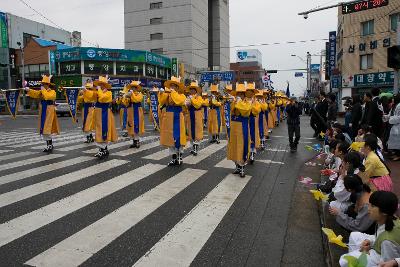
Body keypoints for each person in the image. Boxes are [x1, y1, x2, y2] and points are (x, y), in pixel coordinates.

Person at [339, 191, 400, 267]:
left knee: (344, 260)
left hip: (379, 257)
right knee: (354, 235)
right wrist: (370, 241)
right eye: (369, 204)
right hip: (378, 248)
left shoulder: (387, 242)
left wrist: (369, 252)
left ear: (384, 212)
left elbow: (387, 262)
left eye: (373, 206)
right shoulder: (390, 220)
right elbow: (379, 236)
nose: (368, 208)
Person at [25, 75, 60, 152]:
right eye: (43, 83)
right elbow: (35, 93)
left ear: (48, 84)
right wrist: (29, 90)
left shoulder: (52, 91)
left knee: (47, 128)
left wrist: (43, 90)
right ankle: (49, 145)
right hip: (44, 110)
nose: (43, 85)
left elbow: (48, 97)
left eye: (44, 83)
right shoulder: (42, 91)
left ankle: (50, 145)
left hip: (49, 111)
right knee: (44, 129)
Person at [160, 76, 187, 166]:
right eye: (171, 85)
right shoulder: (168, 94)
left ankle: (180, 156)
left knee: (179, 136)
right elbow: (161, 102)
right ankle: (173, 157)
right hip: (169, 116)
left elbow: (179, 101)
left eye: (174, 86)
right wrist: (162, 93)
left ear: (177, 87)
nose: (172, 87)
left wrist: (173, 92)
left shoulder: (181, 95)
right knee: (170, 137)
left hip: (178, 116)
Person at [227, 83, 252, 178]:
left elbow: (245, 111)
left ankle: (242, 167)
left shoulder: (248, 102)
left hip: (242, 126)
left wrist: (238, 102)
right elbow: (231, 109)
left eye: (241, 94)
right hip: (234, 125)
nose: (239, 96)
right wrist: (234, 102)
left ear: (244, 95)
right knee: (234, 145)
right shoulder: (235, 101)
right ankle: (237, 166)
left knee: (242, 145)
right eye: (238, 94)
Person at [92, 75, 118, 158]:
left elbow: (103, 98)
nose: (100, 85)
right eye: (99, 84)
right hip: (98, 112)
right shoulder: (99, 92)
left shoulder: (109, 93)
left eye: (102, 84)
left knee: (104, 129)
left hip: (105, 113)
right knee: (99, 130)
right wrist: (91, 90)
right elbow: (92, 98)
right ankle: (104, 149)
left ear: (105, 85)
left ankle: (102, 150)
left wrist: (99, 90)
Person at [185, 81, 204, 156]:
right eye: (191, 89)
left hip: (197, 115)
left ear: (196, 90)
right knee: (190, 130)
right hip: (190, 114)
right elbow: (187, 106)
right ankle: (193, 148)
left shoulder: (199, 97)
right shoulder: (189, 97)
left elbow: (198, 105)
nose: (191, 91)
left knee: (197, 130)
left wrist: (191, 99)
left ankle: (196, 148)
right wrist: (187, 104)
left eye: (193, 89)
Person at [125, 81, 145, 148]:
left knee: (136, 125)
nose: (133, 89)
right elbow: (125, 103)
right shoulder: (130, 94)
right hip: (130, 110)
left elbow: (136, 100)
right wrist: (125, 97)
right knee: (130, 125)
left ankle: (137, 141)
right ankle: (134, 141)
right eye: (132, 87)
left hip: (137, 111)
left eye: (134, 87)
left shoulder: (140, 94)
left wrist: (131, 94)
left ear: (136, 88)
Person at [248, 85, 260, 163]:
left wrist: (251, 105)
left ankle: (252, 153)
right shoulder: (242, 100)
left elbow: (258, 110)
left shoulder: (255, 102)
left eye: (251, 92)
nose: (250, 93)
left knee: (252, 135)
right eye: (248, 91)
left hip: (251, 118)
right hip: (243, 119)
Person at [387, 94, 400, 161]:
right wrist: (386, 117)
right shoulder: (394, 106)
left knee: (398, 141)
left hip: (397, 125)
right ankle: (396, 153)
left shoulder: (399, 106)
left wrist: (391, 119)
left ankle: (398, 155)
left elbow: (398, 117)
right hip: (394, 126)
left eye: (393, 99)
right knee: (395, 141)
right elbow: (390, 114)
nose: (392, 100)